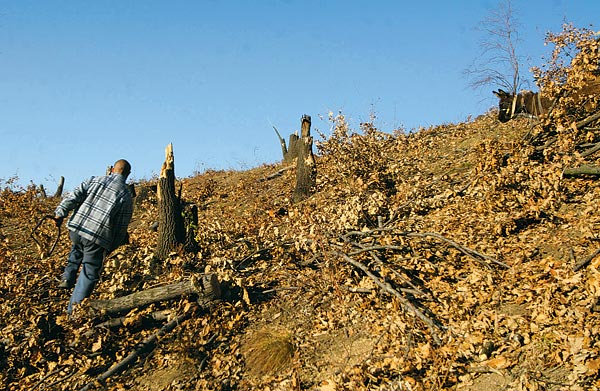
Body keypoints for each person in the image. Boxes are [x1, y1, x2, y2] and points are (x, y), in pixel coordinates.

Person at [54, 159, 134, 314]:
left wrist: (60, 213)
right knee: (89, 273)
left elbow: (73, 196)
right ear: (128, 174)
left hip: (76, 229)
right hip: (97, 237)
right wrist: (112, 246)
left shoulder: (94, 180)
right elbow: (120, 228)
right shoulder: (126, 194)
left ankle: (67, 277)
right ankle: (74, 312)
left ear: (112, 169)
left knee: (77, 247)